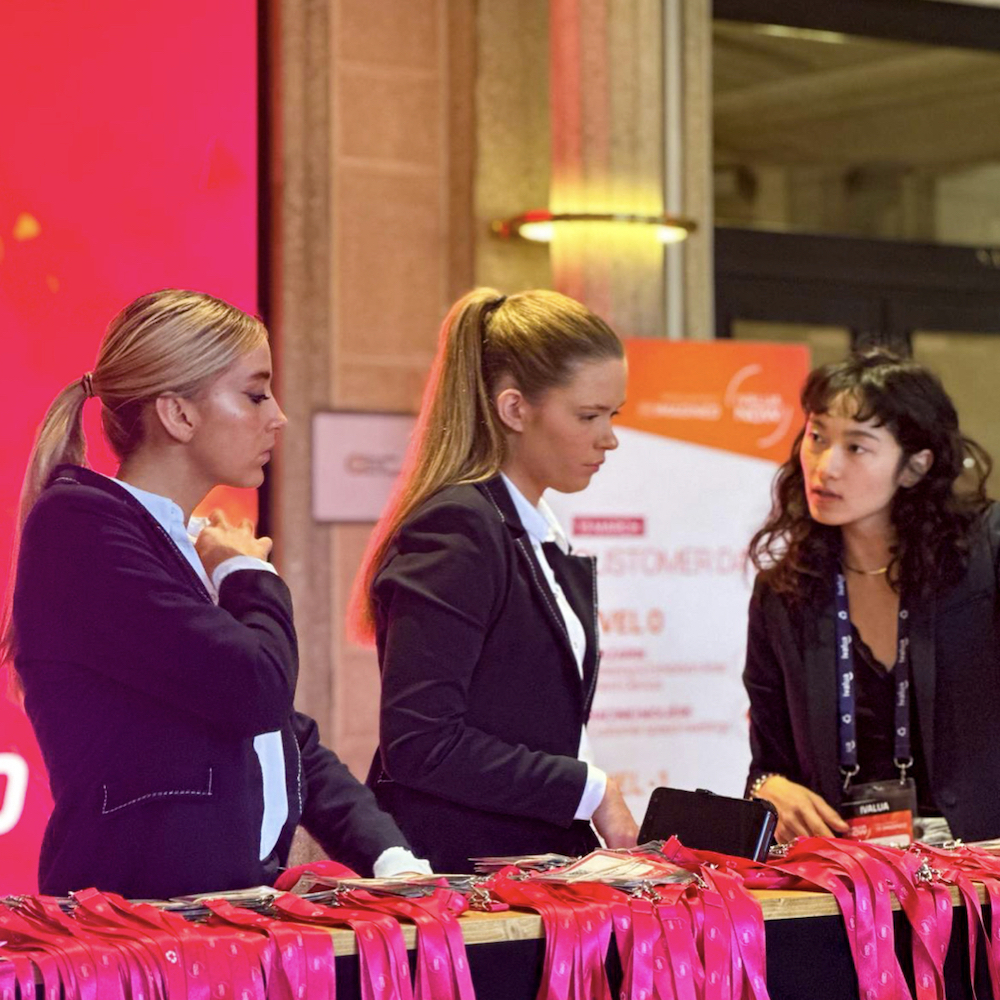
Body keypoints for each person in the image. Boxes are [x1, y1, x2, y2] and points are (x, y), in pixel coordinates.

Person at [1, 289, 428, 899]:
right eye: (255, 395)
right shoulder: (81, 525)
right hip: (141, 922)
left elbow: (281, 731)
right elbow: (255, 687)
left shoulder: (175, 540)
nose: (277, 417)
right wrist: (248, 574)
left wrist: (389, 855)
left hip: (220, 911)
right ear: (178, 414)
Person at [349, 287, 639, 873]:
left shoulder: (529, 532)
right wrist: (590, 789)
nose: (609, 438)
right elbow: (421, 743)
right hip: (456, 877)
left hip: (517, 871)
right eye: (588, 416)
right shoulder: (457, 526)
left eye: (613, 415)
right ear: (514, 410)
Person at [744, 349, 1000, 844]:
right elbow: (769, 762)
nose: (826, 466)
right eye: (817, 437)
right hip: (851, 872)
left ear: (914, 467)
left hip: (982, 867)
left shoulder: (985, 556)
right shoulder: (786, 591)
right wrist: (768, 787)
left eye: (857, 447)